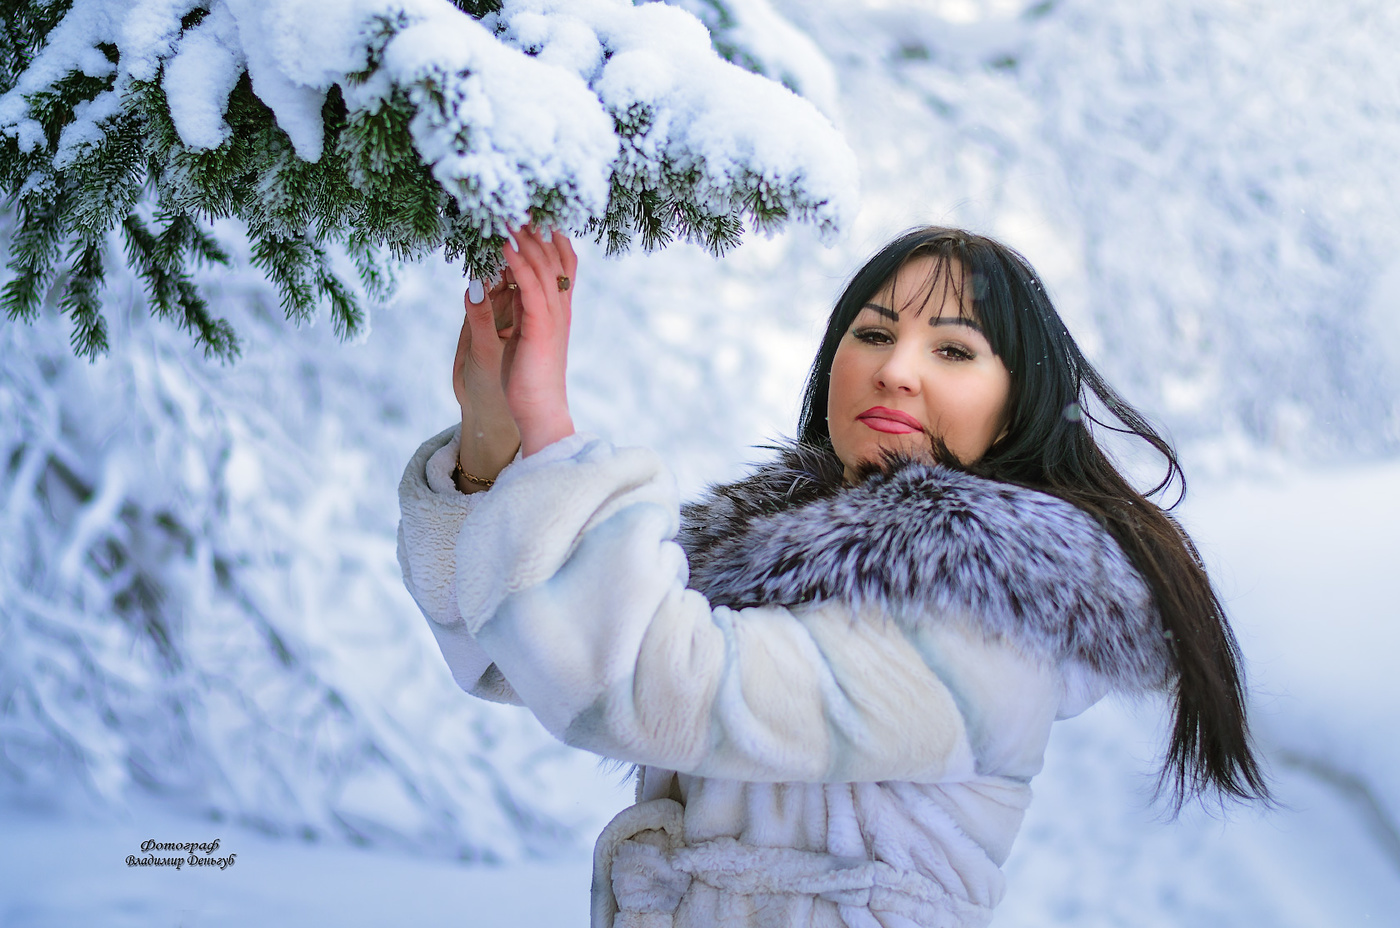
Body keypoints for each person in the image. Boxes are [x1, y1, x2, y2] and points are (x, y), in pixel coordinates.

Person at [396, 224, 1269, 928]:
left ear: (1016, 410)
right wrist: (493, 431)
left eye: (955, 351)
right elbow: (517, 654)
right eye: (876, 333)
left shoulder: (987, 619)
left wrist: (551, 426)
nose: (896, 368)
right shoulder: (764, 562)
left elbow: (645, 683)